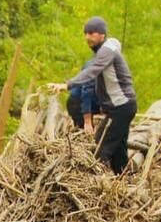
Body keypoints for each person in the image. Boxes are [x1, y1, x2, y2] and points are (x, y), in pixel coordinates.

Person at [47, 17, 138, 173]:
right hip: (122, 107)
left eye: (92, 33)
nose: (88, 37)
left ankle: (100, 188)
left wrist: (67, 85)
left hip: (121, 108)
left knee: (100, 150)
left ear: (102, 35)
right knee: (118, 150)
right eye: (86, 33)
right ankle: (125, 180)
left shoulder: (106, 51)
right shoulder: (106, 51)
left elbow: (91, 73)